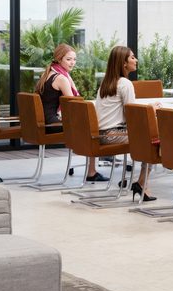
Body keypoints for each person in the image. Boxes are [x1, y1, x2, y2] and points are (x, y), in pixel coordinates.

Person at [93, 43, 152, 199]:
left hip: (100, 134)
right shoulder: (125, 83)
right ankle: (142, 183)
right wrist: (151, 109)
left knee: (148, 137)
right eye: (132, 57)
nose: (136, 60)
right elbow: (133, 115)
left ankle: (141, 183)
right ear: (124, 63)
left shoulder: (106, 83)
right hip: (113, 134)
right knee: (153, 140)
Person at [37, 44, 97, 180]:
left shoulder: (49, 73)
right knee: (92, 128)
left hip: (44, 122)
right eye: (69, 59)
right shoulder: (62, 78)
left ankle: (95, 165)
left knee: (90, 126)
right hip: (51, 125)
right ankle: (92, 171)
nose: (73, 63)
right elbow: (74, 105)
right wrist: (69, 80)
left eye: (74, 59)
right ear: (59, 59)